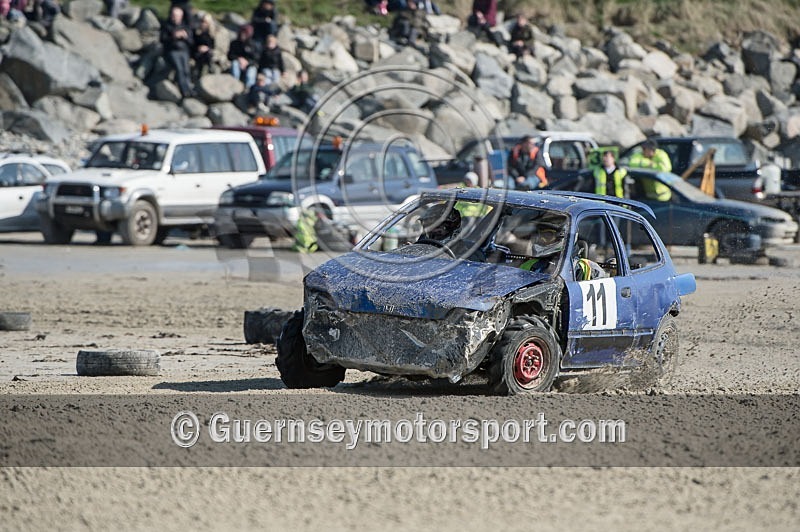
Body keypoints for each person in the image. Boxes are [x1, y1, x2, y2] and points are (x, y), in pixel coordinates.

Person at [160, 5, 194, 99]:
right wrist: (173, 36)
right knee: (179, 69)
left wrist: (185, 36)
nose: (174, 17)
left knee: (186, 70)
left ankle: (189, 89)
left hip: (184, 51)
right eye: (173, 15)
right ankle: (184, 91)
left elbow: (191, 42)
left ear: (181, 16)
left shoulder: (185, 27)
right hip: (172, 51)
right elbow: (162, 39)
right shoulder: (167, 26)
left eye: (177, 15)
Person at [228, 24, 259, 90]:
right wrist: (239, 59)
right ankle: (235, 85)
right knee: (234, 64)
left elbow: (256, 59)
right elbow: (230, 55)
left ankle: (248, 89)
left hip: (250, 64)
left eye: (245, 33)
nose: (243, 34)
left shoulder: (253, 45)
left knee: (251, 72)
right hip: (237, 63)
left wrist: (247, 62)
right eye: (242, 32)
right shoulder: (234, 43)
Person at [191, 12, 216, 80]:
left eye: (205, 22)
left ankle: (209, 70)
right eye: (202, 21)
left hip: (207, 52)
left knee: (207, 55)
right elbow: (193, 43)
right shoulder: (197, 32)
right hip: (197, 51)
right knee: (200, 56)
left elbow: (213, 46)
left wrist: (207, 48)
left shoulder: (211, 34)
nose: (203, 24)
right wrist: (199, 48)